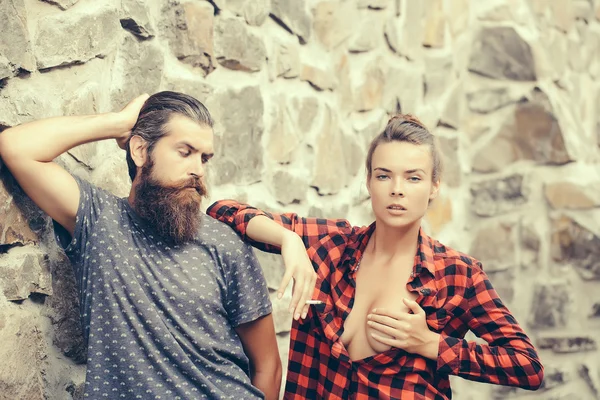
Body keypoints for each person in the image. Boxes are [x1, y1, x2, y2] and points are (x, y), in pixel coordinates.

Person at [0, 91, 315, 399]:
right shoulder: (98, 219)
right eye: (185, 151)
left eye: (204, 158)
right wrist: (118, 122)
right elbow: (15, 146)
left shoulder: (225, 243)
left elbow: (268, 366)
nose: (198, 170)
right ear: (140, 151)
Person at [207, 114, 545, 399]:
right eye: (384, 175)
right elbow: (223, 210)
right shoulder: (329, 246)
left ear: (434, 187)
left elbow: (527, 366)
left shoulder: (457, 275)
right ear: (369, 181)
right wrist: (288, 239)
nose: (396, 188)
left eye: (413, 177)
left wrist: (431, 344)